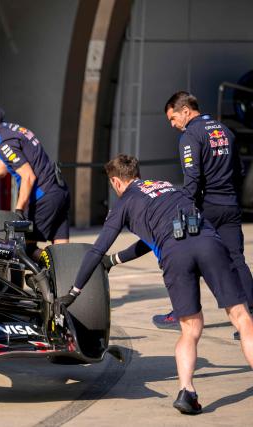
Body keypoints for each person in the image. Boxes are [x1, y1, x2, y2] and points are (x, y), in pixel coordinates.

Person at [61, 154, 253, 415]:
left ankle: (187, 391)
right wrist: (115, 260)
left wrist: (74, 291)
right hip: (208, 241)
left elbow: (97, 250)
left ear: (116, 181)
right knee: (242, 318)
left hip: (175, 252)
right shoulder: (167, 187)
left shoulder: (125, 202)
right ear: (137, 174)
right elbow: (151, 238)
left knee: (190, 329)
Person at [152, 91, 253, 337]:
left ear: (186, 111)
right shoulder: (225, 130)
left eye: (173, 118)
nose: (173, 124)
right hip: (229, 204)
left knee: (187, 258)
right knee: (236, 260)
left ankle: (182, 312)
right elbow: (239, 169)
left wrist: (184, 207)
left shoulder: (191, 135)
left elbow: (192, 177)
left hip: (205, 208)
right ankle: (250, 317)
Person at [0, 104, 70, 248]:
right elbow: (1, 170)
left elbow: (28, 176)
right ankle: (64, 268)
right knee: (62, 248)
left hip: (43, 196)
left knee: (25, 249)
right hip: (59, 191)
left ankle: (49, 269)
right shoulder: (9, 131)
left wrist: (18, 211)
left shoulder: (4, 141)